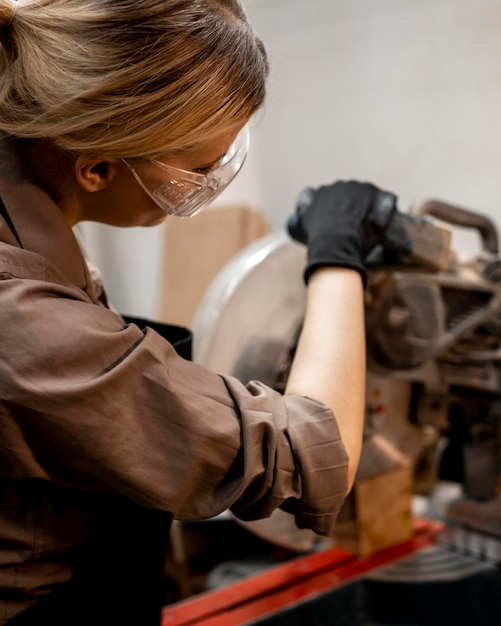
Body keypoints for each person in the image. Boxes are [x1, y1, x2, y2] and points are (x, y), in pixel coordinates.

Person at [0, 0, 393, 624]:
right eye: (199, 170)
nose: (210, 187)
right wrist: (338, 253)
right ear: (97, 167)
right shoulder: (22, 323)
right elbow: (315, 450)